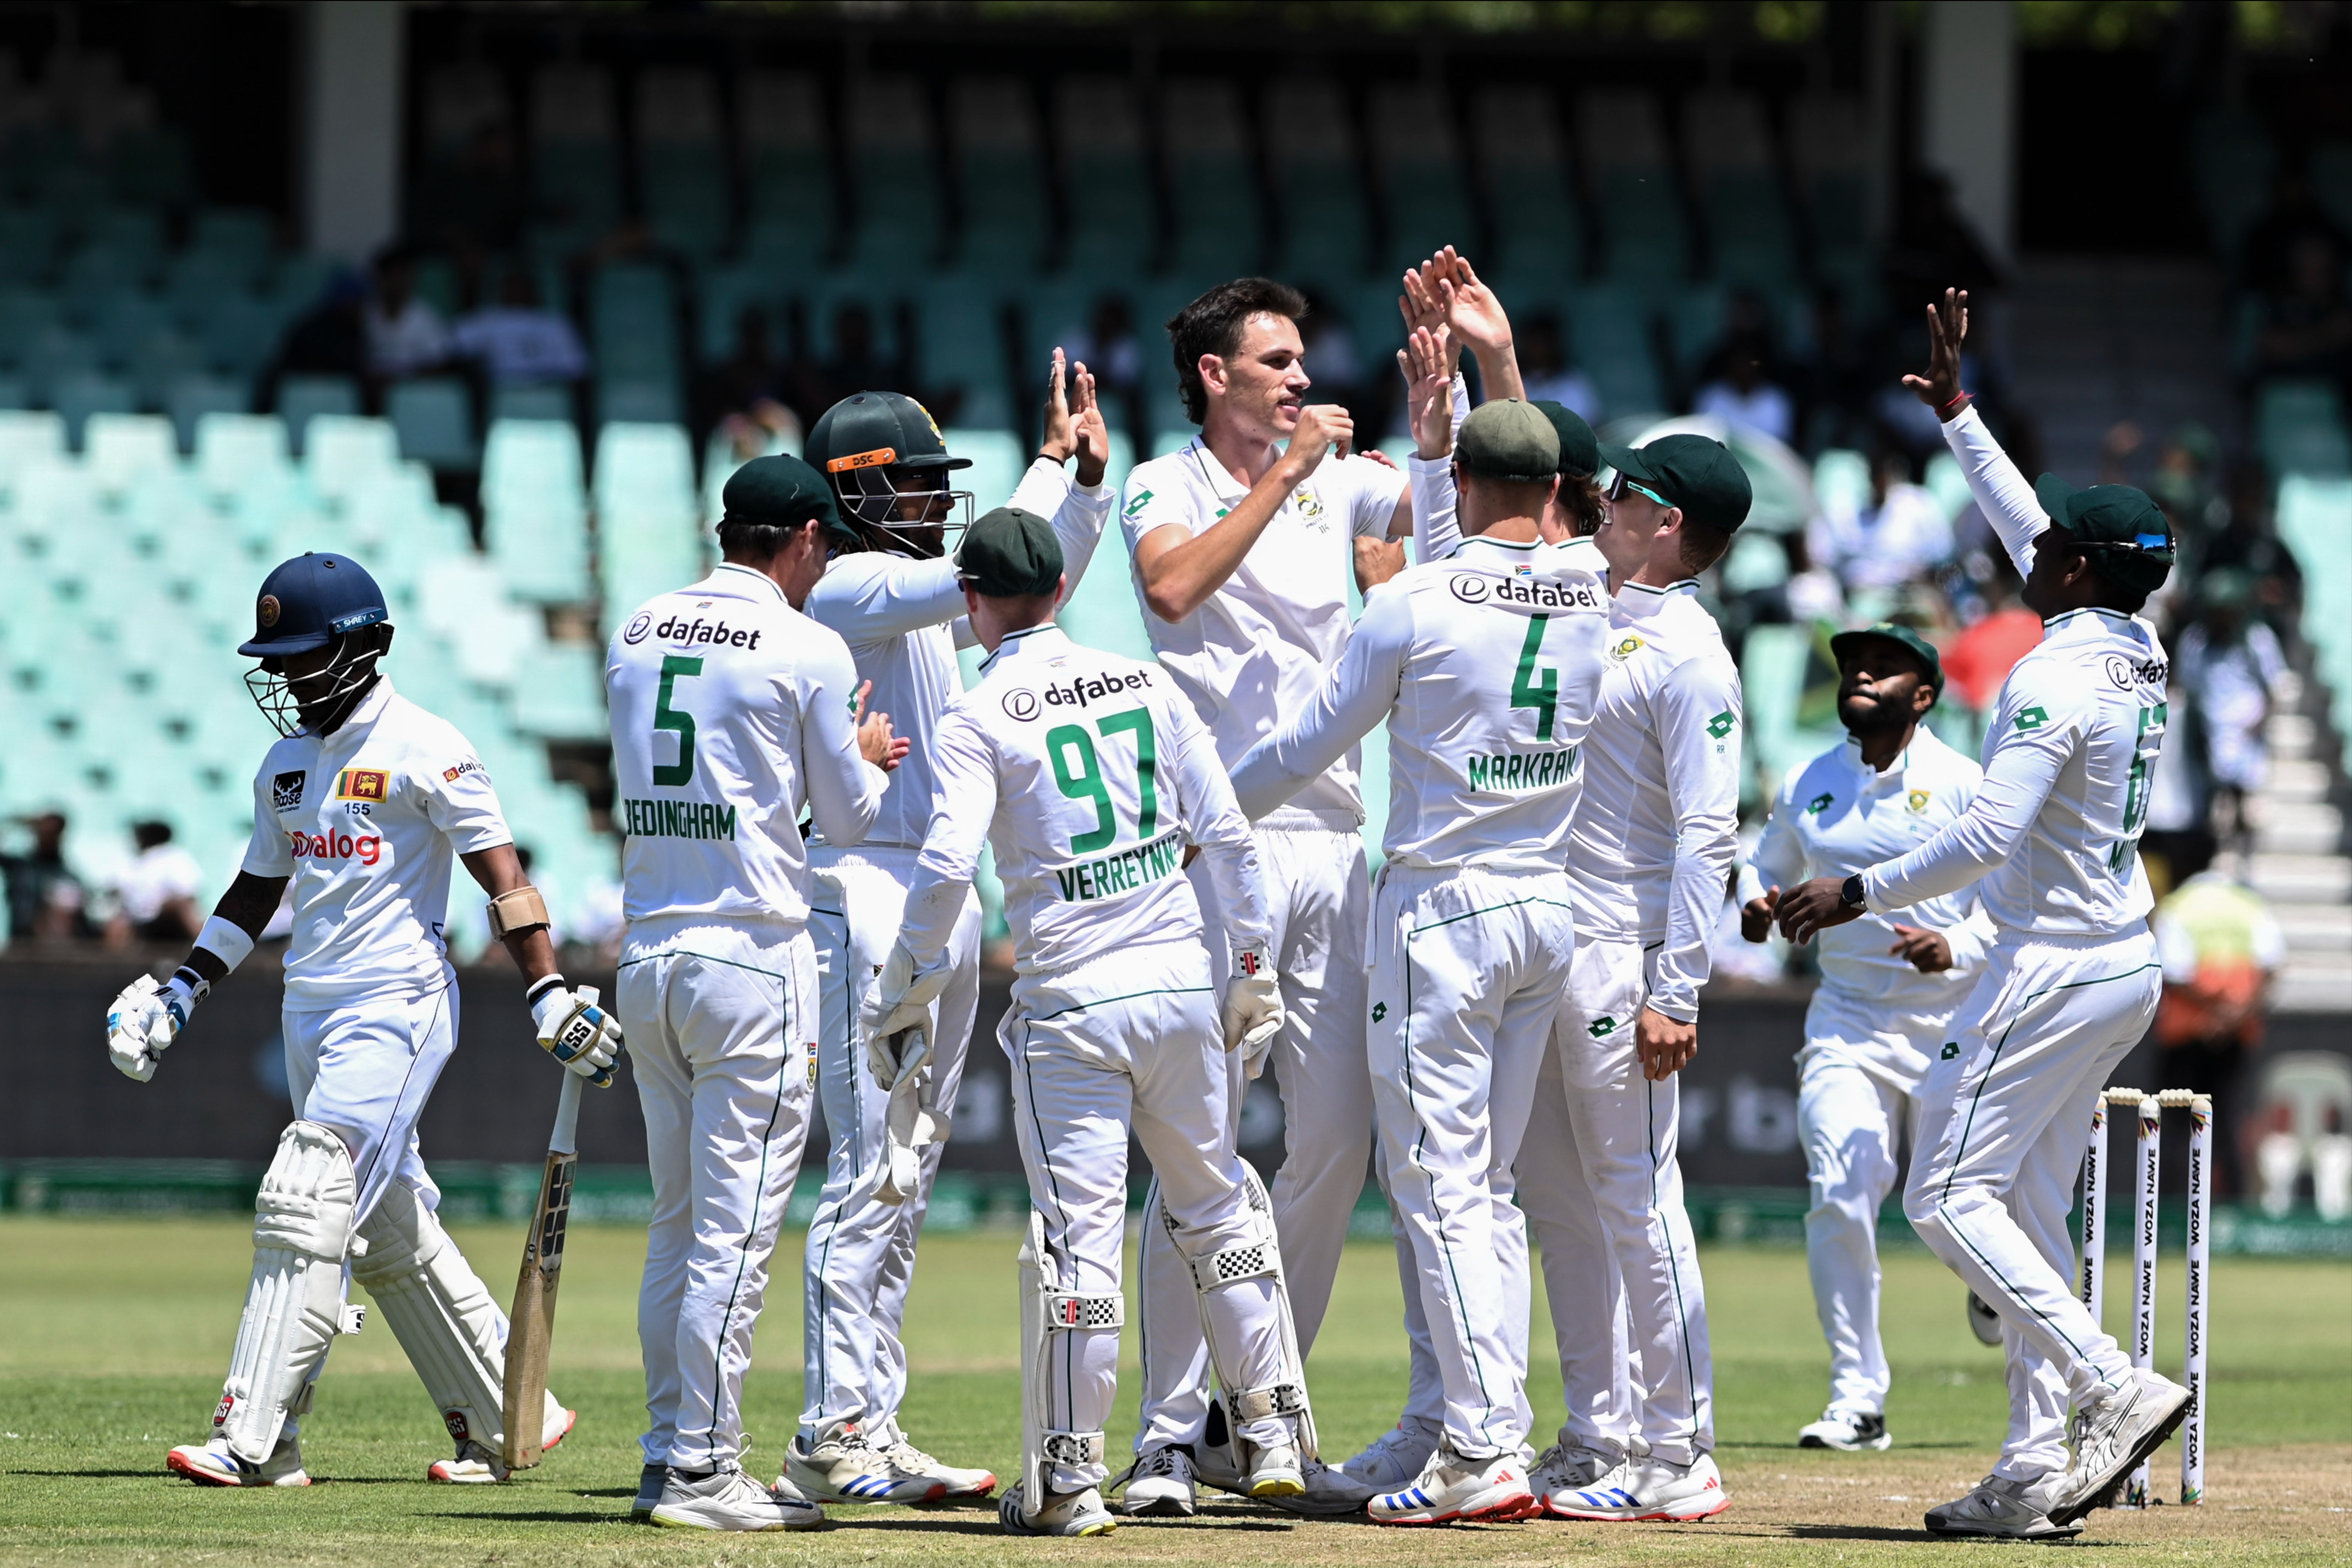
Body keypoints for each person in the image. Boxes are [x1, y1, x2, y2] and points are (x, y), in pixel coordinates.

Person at [1777, 289, 2193, 1539]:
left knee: (1945, 1197)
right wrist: (1958, 411)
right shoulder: (2131, 637)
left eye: (2052, 542)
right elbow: (2035, 525)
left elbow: (1984, 835)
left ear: (2072, 569)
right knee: (2018, 1205)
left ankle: (2109, 1384)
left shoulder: (2050, 671)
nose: (2033, 542)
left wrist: (1852, 889)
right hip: (2118, 957)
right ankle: (2028, 1472)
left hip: (2044, 964)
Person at [108, 551, 607, 1488]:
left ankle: (258, 1439)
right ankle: (512, 1417)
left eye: (306, 655)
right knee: (381, 1226)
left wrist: (546, 988)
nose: (290, 676)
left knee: (308, 1190)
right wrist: (184, 990)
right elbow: (255, 891)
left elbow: (503, 875)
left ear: (368, 646)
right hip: (311, 1002)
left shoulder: (430, 744)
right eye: (280, 659)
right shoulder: (288, 763)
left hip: (398, 1001)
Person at [875, 505, 1308, 1537]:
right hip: (1178, 992)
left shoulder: (977, 714)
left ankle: (1070, 1478)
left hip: (1072, 1005)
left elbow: (943, 867)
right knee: (1214, 1211)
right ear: (1063, 589)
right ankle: (1270, 1427)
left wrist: (905, 984)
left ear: (970, 604)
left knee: (1080, 1240)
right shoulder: (1145, 681)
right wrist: (1253, 968)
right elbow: (1231, 837)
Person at [1234, 398, 1610, 1524]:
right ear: (1549, 488)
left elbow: (1308, 746)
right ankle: (1458, 1416)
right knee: (1480, 1187)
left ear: (1460, 484)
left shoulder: (1410, 600)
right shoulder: (1594, 587)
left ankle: (1480, 1445)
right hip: (1549, 901)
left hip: (1443, 910)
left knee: (1436, 1185)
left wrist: (1193, 814)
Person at [791, 359, 1113, 1508]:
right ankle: (833, 1426)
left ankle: (870, 1421)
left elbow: (1026, 581)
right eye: (920, 483)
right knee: (872, 1167)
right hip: (866, 887)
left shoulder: (918, 582)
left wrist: (1080, 486)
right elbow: (986, 565)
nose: (937, 500)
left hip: (930, 887)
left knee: (908, 1171)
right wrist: (1045, 466)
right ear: (858, 492)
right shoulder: (843, 586)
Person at [1117, 277, 1410, 1516]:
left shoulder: (1347, 474)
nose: (1300, 378)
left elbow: (1479, 519)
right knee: (1201, 1148)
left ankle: (1261, 1402)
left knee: (1336, 1146)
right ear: (1212, 376)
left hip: (1335, 840)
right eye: (1274, 360)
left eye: (1304, 360)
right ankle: (1167, 1434)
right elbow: (1173, 590)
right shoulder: (1162, 481)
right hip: (1210, 850)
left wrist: (1461, 390)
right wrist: (1286, 477)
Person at [607, 454, 902, 1531]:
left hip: (648, 950)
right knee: (732, 1238)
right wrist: (866, 754)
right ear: (805, 541)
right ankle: (701, 1469)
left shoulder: (637, 626)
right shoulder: (808, 643)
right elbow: (855, 815)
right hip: (751, 953)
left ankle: (664, 1450)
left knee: (677, 1228)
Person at [1516, 431, 1751, 1523]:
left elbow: (1710, 830)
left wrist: (1680, 986)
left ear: (1669, 523)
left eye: (1625, 492)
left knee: (1639, 1203)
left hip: (1629, 948)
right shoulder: (1592, 605)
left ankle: (1680, 1450)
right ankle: (1596, 1432)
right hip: (1559, 937)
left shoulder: (1692, 648)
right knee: (1563, 1202)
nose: (1601, 500)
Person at [1737, 623, 1998, 1455]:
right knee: (1839, 1191)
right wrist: (1753, 899)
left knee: (1952, 1214)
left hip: (1954, 1019)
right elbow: (1763, 862)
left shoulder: (1964, 785)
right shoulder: (1813, 780)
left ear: (1923, 697)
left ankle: (1993, 1284)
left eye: (1884, 668)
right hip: (1847, 1017)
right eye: (1853, 665)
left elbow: (2014, 898)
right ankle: (1858, 1397)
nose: (1861, 675)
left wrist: (1955, 944)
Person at [2153, 861, 2285, 1201]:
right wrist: (2232, 1015)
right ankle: (2234, 1212)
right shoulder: (2249, 903)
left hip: (2186, 1032)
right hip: (2237, 1030)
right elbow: (2270, 967)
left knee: (2177, 1125)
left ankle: (2171, 1212)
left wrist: (2212, 1013)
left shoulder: (2179, 904)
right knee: (2230, 1120)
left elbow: (2174, 971)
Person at [2175, 569, 2288, 852]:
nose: (2223, 619)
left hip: (2247, 735)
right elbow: (2188, 686)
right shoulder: (2196, 641)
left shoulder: (2257, 640)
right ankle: (2220, 862)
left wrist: (2260, 723)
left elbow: (2276, 687)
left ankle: (2246, 861)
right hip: (2212, 734)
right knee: (2217, 812)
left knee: (2248, 811)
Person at [1807, 447, 1954, 598]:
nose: (1880, 483)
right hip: (1860, 597)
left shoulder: (1919, 505)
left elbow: (1942, 559)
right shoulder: (1844, 511)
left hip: (1909, 594)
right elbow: (1822, 560)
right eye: (1875, 476)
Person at [451, 266, 590, 388]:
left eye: (521, 287)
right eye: (511, 287)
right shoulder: (487, 319)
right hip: (499, 387)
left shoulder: (554, 321)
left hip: (549, 387)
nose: (516, 291)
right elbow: (451, 349)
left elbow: (576, 367)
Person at [108, 820, 205, 946]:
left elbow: (188, 893)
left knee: (182, 905)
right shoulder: (135, 862)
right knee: (117, 921)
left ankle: (202, 945)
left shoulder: (174, 856)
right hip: (138, 918)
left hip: (164, 916)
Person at [363, 246, 453, 382]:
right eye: (391, 275)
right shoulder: (367, 314)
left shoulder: (426, 317)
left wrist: (402, 378)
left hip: (412, 390)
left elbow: (439, 364)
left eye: (402, 275)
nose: (397, 282)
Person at [2, 810, 86, 943]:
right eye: (44, 830)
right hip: (23, 944)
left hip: (57, 950)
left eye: (54, 832)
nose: (48, 836)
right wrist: (13, 824)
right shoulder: (21, 868)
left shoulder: (68, 876)